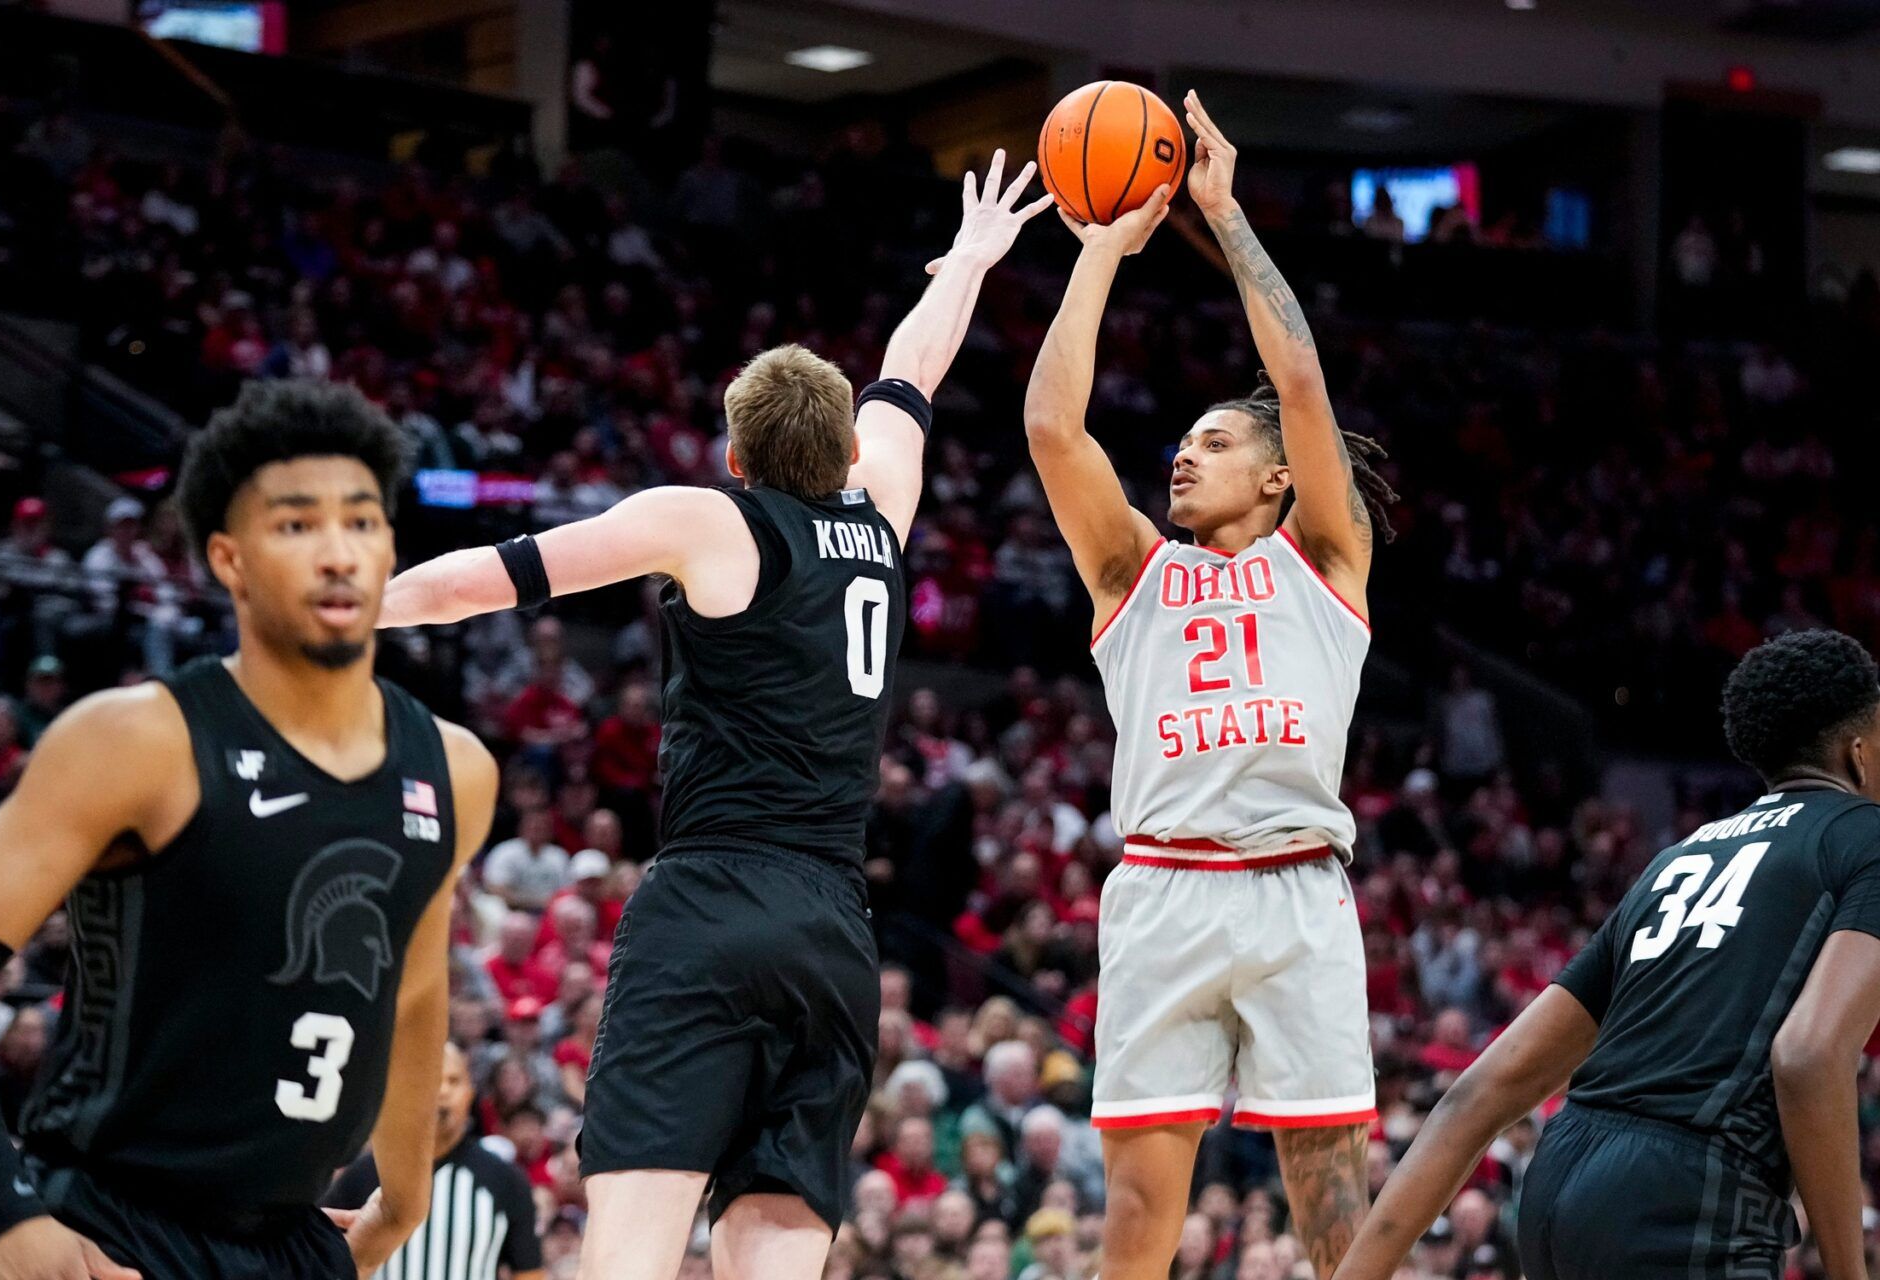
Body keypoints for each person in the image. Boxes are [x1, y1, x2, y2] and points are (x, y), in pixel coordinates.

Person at [377, 152, 1051, 1280]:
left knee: (627, 1255)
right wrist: (974, 257)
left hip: (708, 902)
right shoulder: (880, 506)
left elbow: (474, 583)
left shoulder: (708, 519)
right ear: (842, 452)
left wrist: (342, 610)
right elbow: (912, 370)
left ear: (735, 458)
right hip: (835, 927)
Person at [0, 378, 498, 1279]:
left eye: (360, 522)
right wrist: (6, 1211)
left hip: (293, 1238)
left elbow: (410, 985)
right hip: (112, 1227)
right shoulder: (134, 737)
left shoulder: (456, 768)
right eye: (297, 525)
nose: (338, 554)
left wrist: (405, 1197)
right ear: (228, 558)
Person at [1021, 91, 1398, 1280]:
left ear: (1282, 477)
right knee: (1139, 1218)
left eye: (1217, 441)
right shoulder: (1134, 570)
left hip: (1296, 887)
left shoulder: (1327, 559)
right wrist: (1093, 254)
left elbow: (1296, 372)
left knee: (1334, 1211)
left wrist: (1226, 217)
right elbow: (1049, 423)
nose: (1184, 450)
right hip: (1165, 887)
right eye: (1182, 438)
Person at [1335, 629, 1880, 1280]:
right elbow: (1808, 1055)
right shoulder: (1865, 838)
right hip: (1688, 1201)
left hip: (1556, 1186)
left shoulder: (1680, 858)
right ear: (1858, 753)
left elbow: (1479, 1091)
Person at [325, 1041, 545, 1280]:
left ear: (470, 1094)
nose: (442, 1091)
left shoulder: (505, 1178)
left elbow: (528, 1272)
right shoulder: (361, 1176)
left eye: (453, 1081)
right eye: (430, 1078)